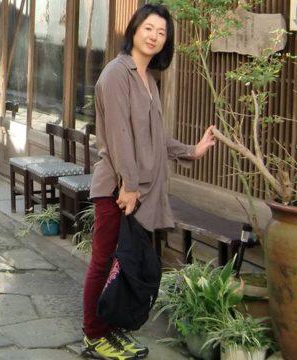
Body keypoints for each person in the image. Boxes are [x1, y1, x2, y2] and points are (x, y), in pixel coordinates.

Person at [82, 4, 216, 360]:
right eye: (149, 28)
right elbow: (119, 137)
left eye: (162, 32)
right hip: (118, 188)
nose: (155, 36)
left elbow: (156, 138)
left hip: (139, 192)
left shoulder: (149, 80)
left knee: (122, 263)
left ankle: (112, 331)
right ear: (134, 30)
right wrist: (128, 186)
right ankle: (94, 335)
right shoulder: (115, 74)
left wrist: (193, 150)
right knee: (104, 260)